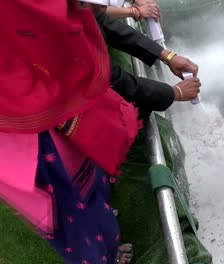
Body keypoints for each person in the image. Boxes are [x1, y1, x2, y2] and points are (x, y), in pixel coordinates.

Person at [0, 1, 138, 263]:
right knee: (66, 206)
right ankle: (101, 257)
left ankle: (105, 233)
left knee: (87, 176)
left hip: (50, 98)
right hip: (22, 122)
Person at [82, 1, 201, 118]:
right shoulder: (69, 34)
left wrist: (167, 56)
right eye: (102, 5)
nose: (104, 9)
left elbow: (106, 24)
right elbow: (112, 79)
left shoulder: (82, 8)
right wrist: (175, 93)